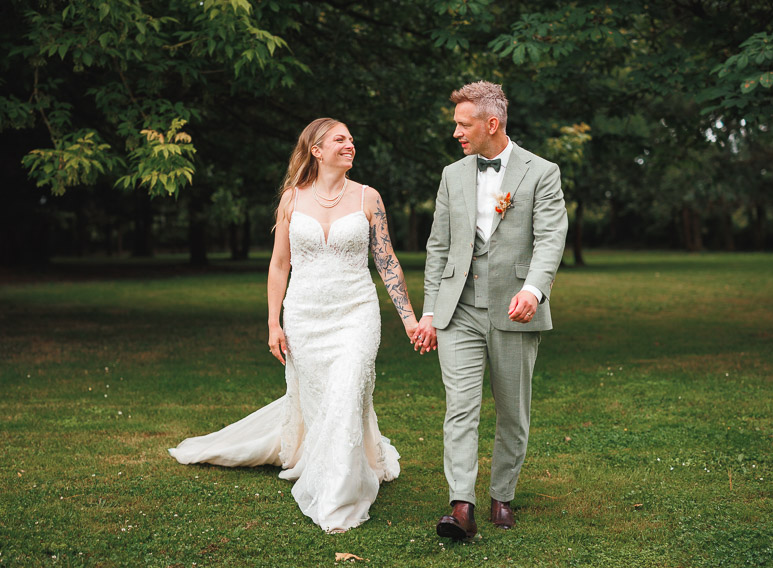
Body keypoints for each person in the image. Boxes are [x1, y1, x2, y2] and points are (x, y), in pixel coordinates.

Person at [169, 118, 420, 533]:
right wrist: (273, 322)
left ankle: (338, 497)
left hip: (356, 312)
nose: (350, 145)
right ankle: (330, 461)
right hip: (304, 315)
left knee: (347, 388)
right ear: (317, 150)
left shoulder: (367, 198)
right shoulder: (291, 199)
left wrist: (409, 320)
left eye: (352, 140)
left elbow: (387, 261)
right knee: (323, 400)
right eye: (340, 139)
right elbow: (279, 264)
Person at [413, 81, 568, 540]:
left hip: (514, 309)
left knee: (512, 411)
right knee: (459, 408)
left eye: (463, 125)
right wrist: (428, 312)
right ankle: (462, 505)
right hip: (457, 310)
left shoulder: (542, 172)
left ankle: (502, 494)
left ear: (491, 124)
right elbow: (437, 247)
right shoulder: (451, 174)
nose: (456, 133)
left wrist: (534, 290)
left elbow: (551, 238)